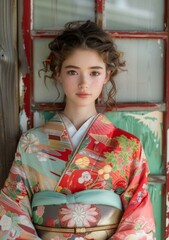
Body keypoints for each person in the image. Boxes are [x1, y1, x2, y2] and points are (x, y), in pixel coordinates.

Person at [0, 21, 155, 240]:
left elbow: (139, 221)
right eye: (73, 72)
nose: (84, 83)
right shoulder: (31, 142)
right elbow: (12, 210)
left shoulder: (127, 146)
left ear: (107, 75)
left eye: (94, 73)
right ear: (58, 73)